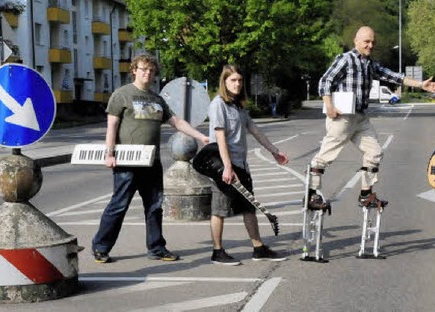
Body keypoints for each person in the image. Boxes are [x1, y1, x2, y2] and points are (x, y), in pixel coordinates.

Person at [91, 54, 210, 263]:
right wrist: (109, 154)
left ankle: (156, 248)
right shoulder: (122, 95)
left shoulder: (157, 99)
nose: (148, 73)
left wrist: (200, 136)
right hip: (127, 162)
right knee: (119, 205)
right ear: (134, 70)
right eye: (143, 69)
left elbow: (176, 122)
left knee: (155, 206)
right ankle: (100, 247)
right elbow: (112, 126)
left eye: (151, 71)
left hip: (151, 162)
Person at [307, 26, 435, 210]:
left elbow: (394, 77)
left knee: (375, 152)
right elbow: (326, 80)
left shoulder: (371, 64)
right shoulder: (346, 59)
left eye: (372, 42)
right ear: (356, 41)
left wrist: (420, 84)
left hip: (360, 118)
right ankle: (312, 194)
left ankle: (365, 194)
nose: (370, 45)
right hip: (343, 117)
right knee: (326, 157)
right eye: (366, 42)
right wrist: (329, 105)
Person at [207, 64, 289, 265]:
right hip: (223, 166)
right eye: (233, 80)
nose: (237, 84)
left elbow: (255, 130)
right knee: (220, 209)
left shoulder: (238, 105)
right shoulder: (218, 104)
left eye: (239, 80)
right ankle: (217, 252)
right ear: (224, 82)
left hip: (241, 166)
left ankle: (258, 248)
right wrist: (227, 167)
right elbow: (220, 137)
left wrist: (274, 152)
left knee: (249, 208)